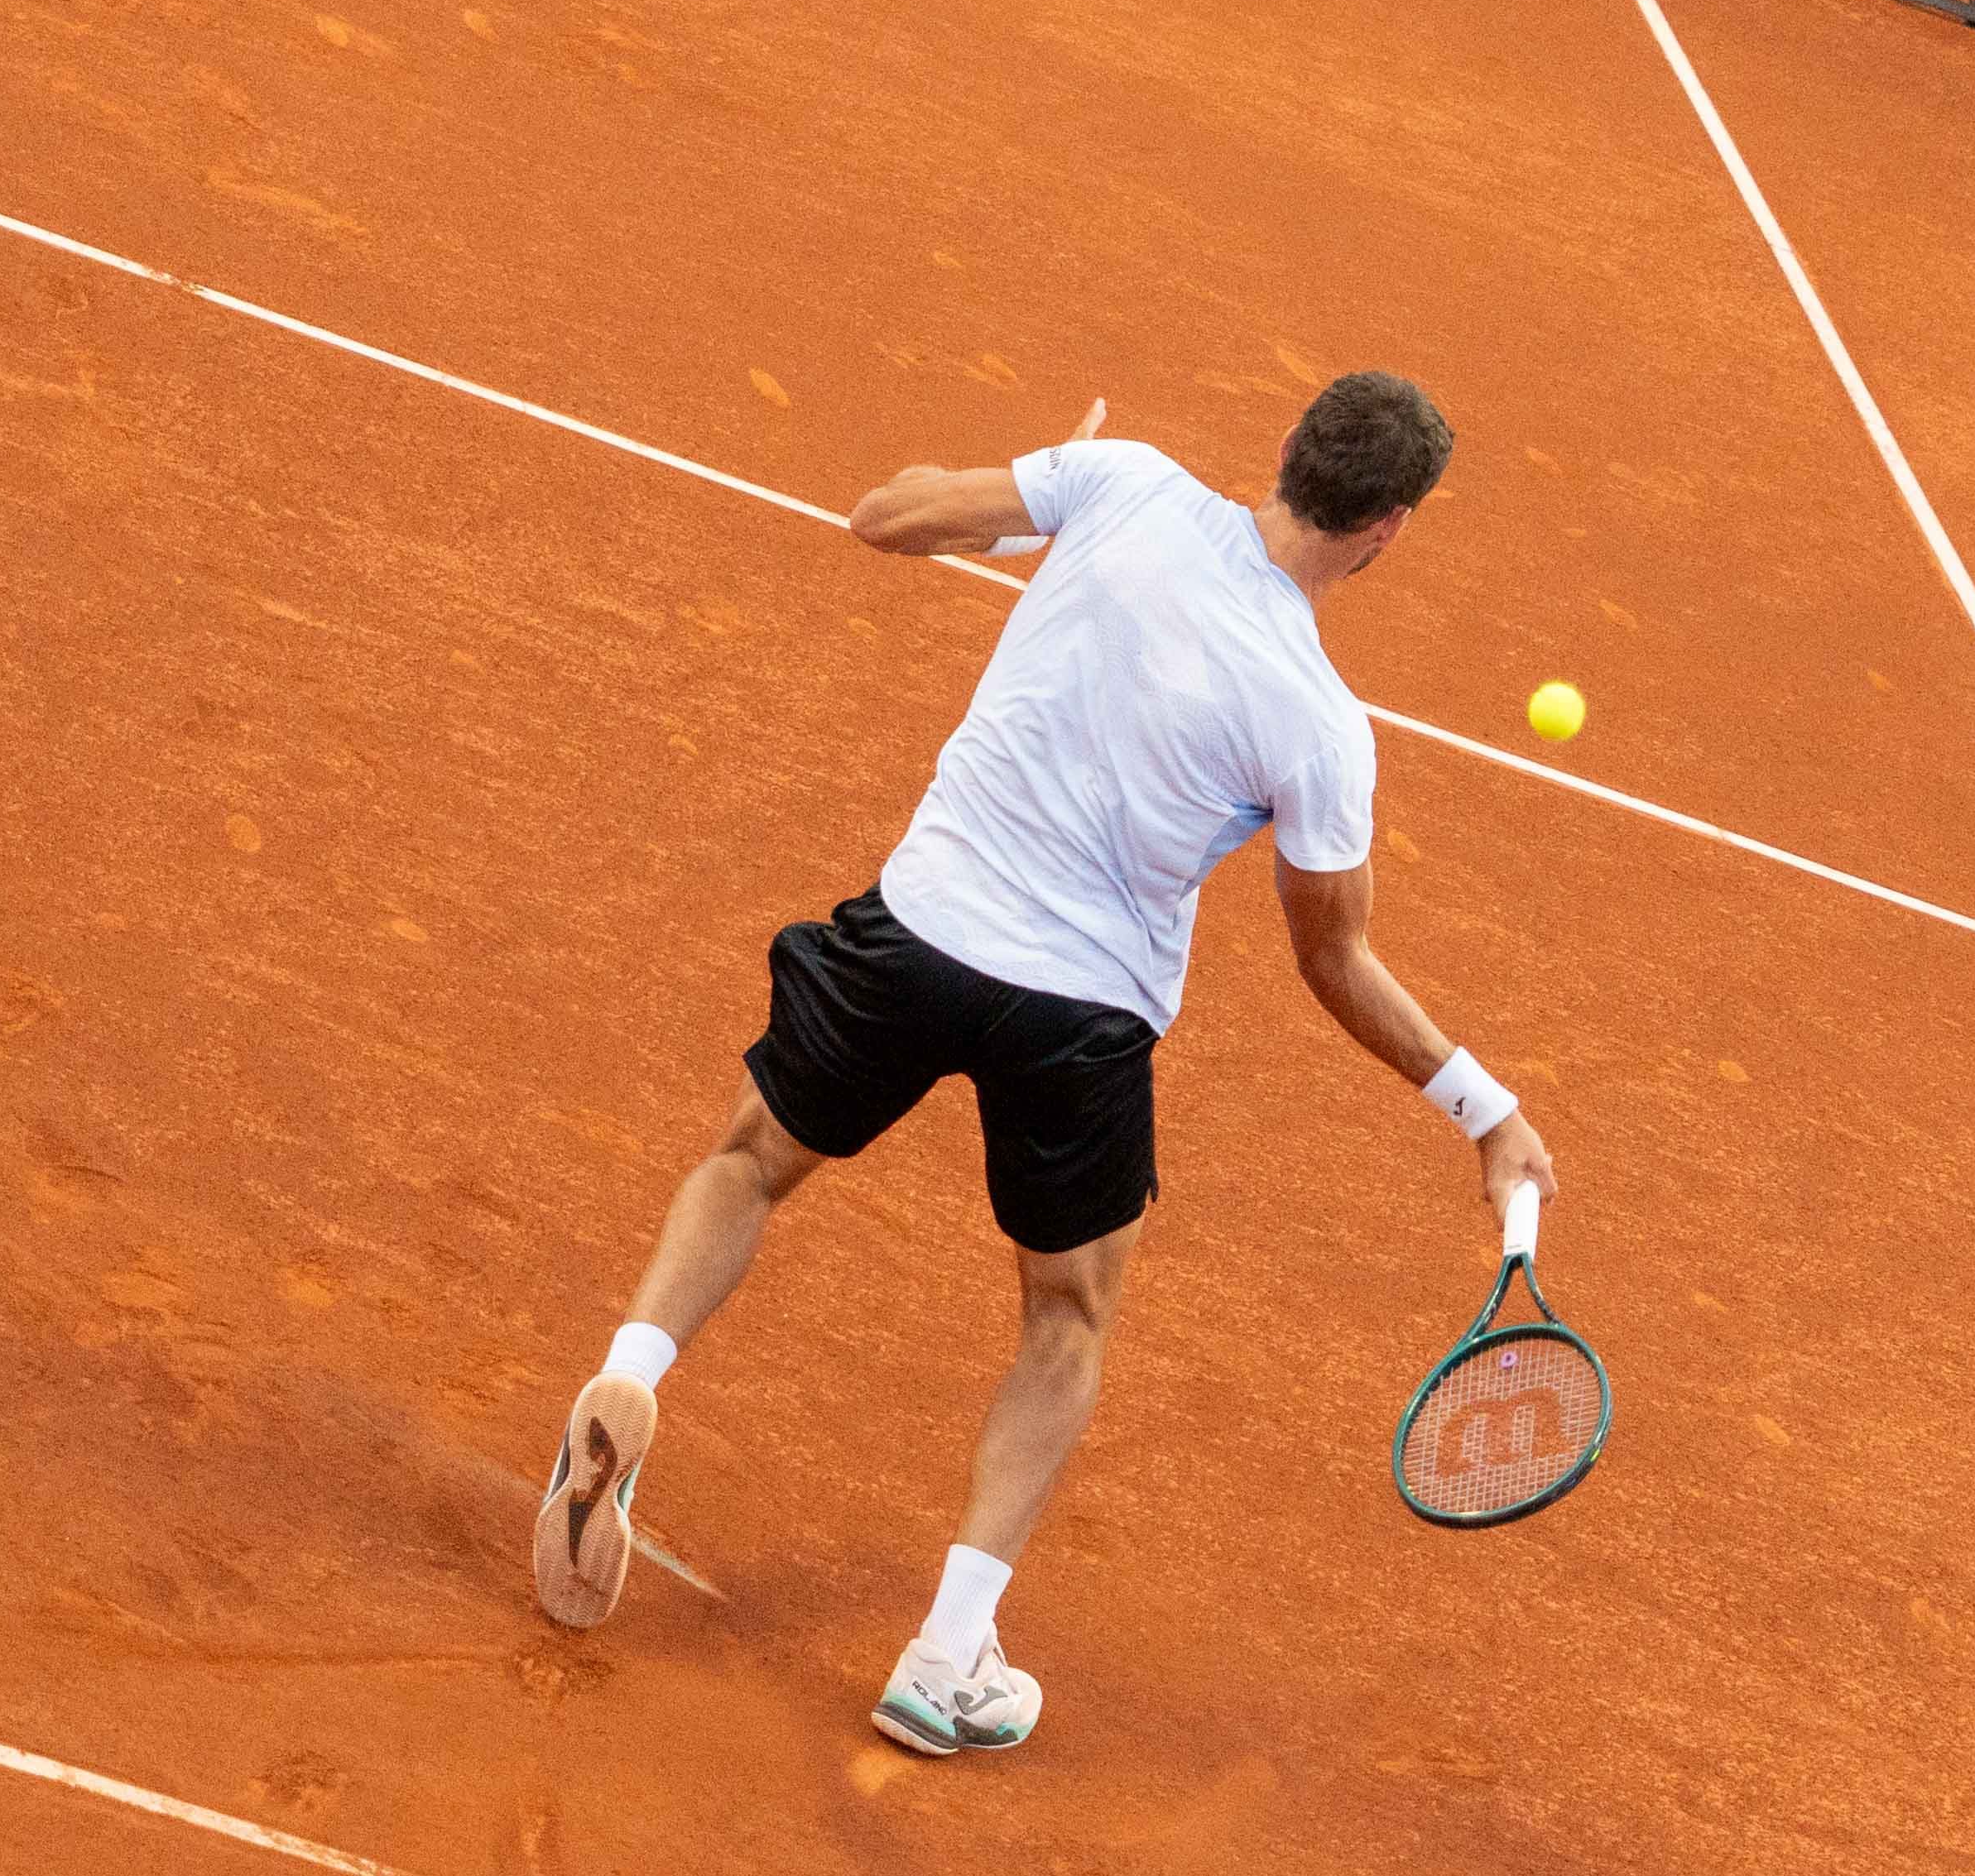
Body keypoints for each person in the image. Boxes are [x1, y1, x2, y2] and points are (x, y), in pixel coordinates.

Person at [527, 377, 1555, 1757]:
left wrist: (1040, 502)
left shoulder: (1121, 480)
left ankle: (633, 1371)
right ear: (1385, 529)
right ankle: (944, 1657)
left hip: (914, 933)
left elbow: (885, 516)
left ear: (1290, 454)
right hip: (1076, 1023)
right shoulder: (1319, 722)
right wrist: (1482, 1109)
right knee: (1065, 1323)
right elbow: (1334, 963)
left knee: (751, 1162)